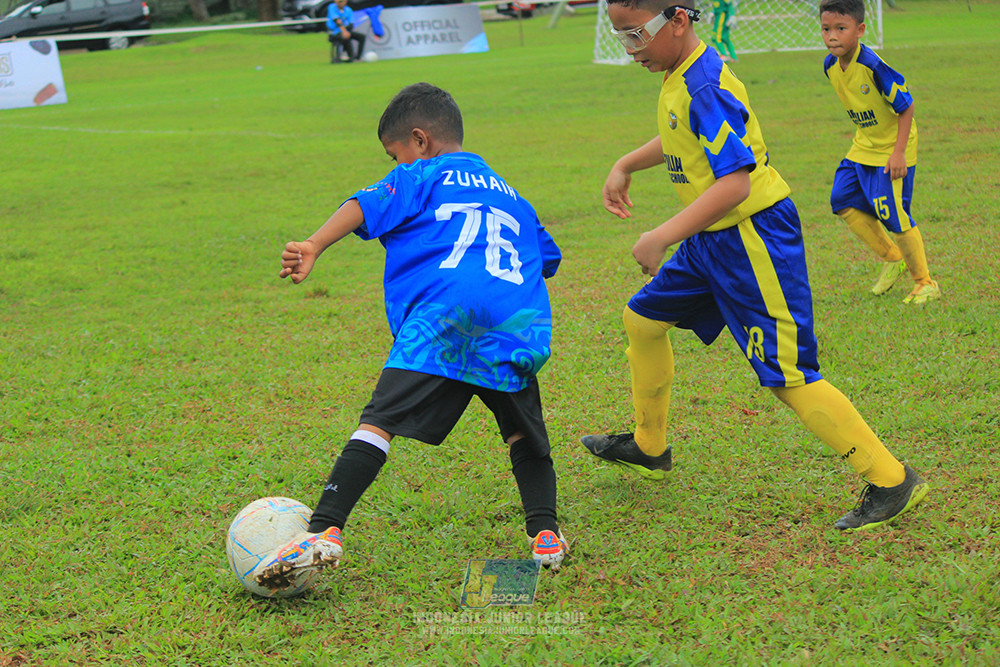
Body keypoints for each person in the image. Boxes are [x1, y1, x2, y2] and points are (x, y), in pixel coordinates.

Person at [581, 0, 928, 532]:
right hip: (712, 239)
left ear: (676, 21)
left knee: (787, 376)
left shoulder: (703, 85)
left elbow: (735, 182)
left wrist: (661, 235)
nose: (631, 51)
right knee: (642, 321)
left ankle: (889, 478)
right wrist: (626, 162)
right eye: (621, 38)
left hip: (751, 237)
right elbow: (683, 135)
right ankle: (650, 446)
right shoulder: (682, 72)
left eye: (635, 36)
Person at [255, 83, 568, 592]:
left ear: (419, 141)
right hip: (515, 322)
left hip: (442, 317)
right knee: (522, 432)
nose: (394, 162)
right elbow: (547, 257)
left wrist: (313, 244)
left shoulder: (419, 174)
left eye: (392, 153)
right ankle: (546, 537)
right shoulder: (513, 193)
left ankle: (324, 530)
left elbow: (365, 204)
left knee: (379, 422)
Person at [820, 0, 940, 303]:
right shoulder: (830, 65)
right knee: (842, 199)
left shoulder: (873, 66)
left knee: (894, 216)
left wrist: (898, 153)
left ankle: (925, 282)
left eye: (840, 29)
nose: (832, 36)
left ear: (860, 30)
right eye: (826, 29)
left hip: (893, 149)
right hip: (863, 146)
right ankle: (892, 257)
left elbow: (906, 106)